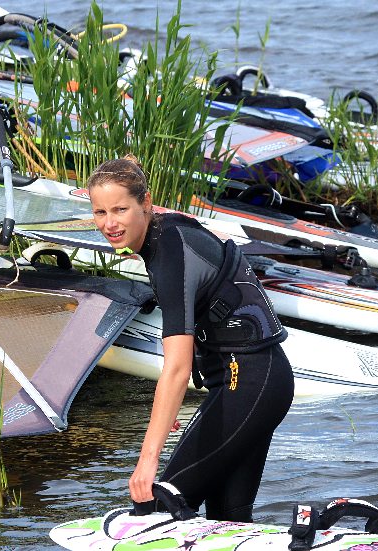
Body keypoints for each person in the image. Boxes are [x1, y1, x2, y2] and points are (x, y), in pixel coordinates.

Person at [87, 155, 295, 522]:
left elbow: (177, 368)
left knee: (156, 503)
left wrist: (147, 460)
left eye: (120, 209)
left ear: (146, 204)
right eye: (100, 212)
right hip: (255, 382)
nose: (110, 223)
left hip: (250, 382)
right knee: (227, 520)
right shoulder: (166, 235)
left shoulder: (169, 251)